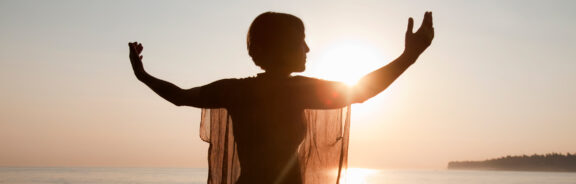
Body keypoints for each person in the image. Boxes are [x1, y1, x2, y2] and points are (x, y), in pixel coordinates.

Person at [128, 11, 433, 184]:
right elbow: (362, 91)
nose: (308, 49)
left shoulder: (237, 90)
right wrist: (409, 56)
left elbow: (180, 97)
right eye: (302, 41)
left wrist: (143, 76)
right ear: (283, 46)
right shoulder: (296, 90)